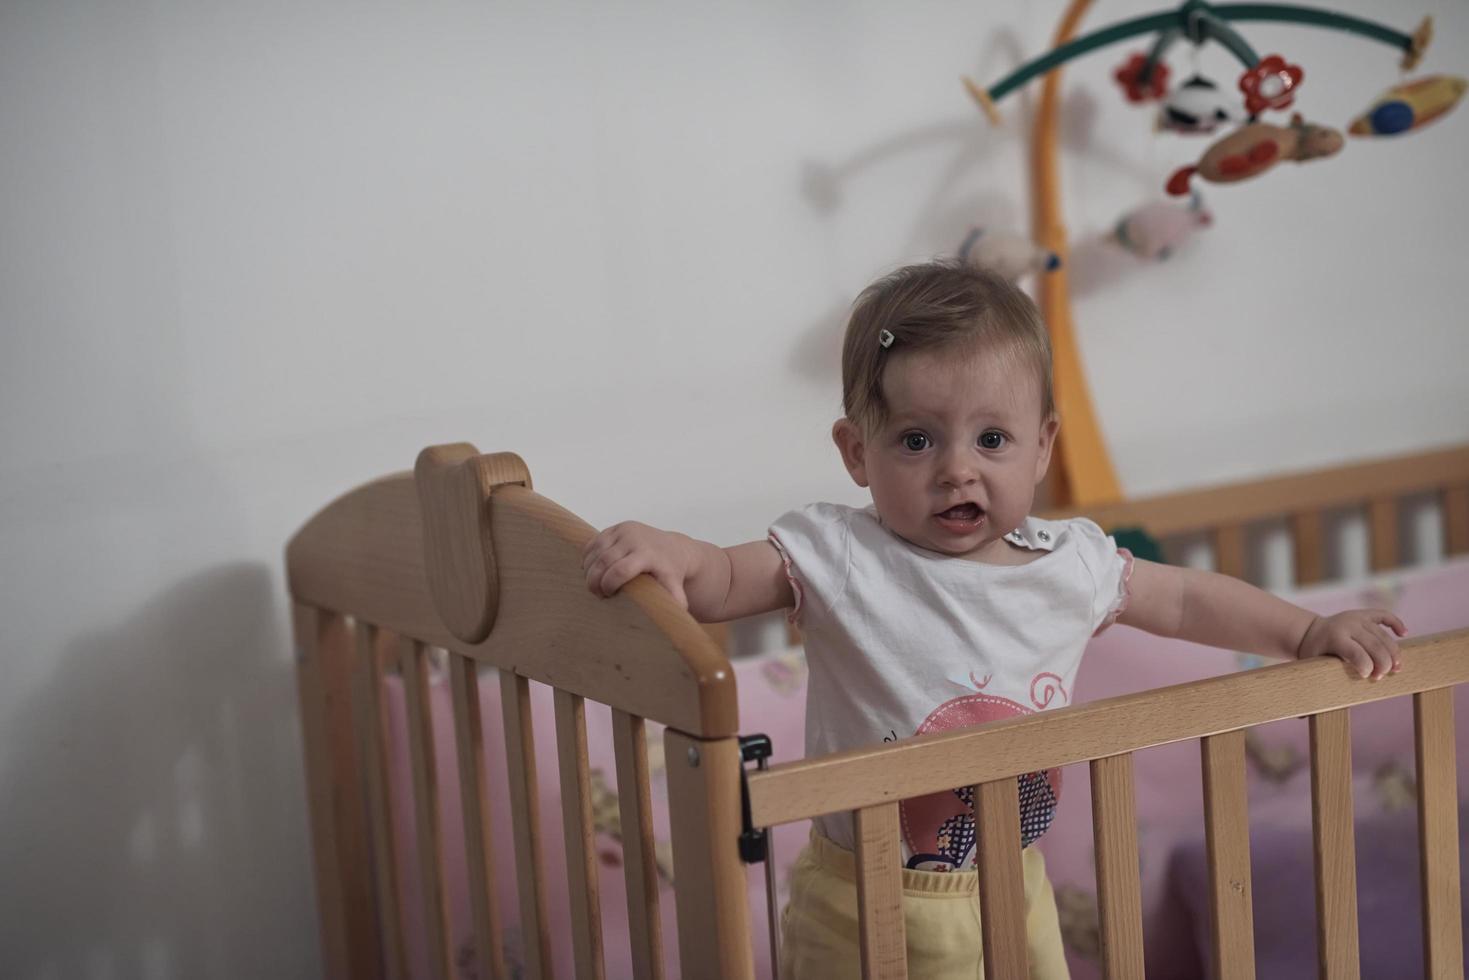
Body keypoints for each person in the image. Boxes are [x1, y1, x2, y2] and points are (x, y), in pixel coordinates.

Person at [581, 259, 1405, 978]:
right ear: (855, 451)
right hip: (860, 895)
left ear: (1042, 446)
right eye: (914, 441)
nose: (955, 471)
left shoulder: (1068, 562)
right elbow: (724, 579)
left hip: (1015, 885)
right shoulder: (839, 554)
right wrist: (672, 552)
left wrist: (1304, 634)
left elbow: (1184, 598)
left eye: (991, 439)